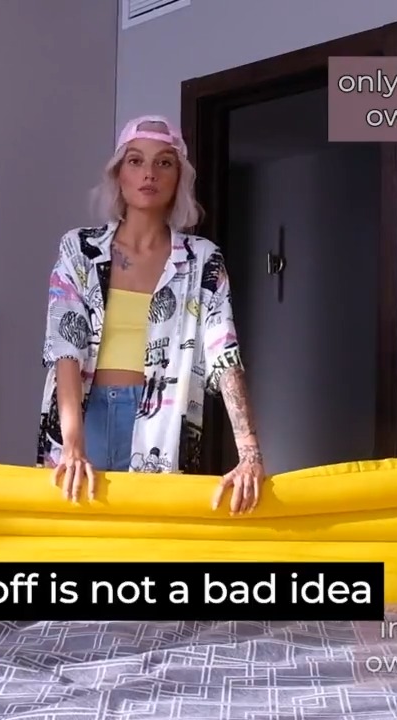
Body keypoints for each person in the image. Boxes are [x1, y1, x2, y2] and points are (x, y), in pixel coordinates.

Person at [36, 115, 266, 515]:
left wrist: (250, 454)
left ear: (179, 178)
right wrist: (73, 445)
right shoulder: (80, 249)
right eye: (136, 160)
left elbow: (223, 352)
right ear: (118, 174)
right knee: (76, 537)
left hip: (164, 423)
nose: (149, 173)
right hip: (85, 419)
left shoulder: (201, 260)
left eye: (164, 162)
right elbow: (65, 348)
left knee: (148, 539)